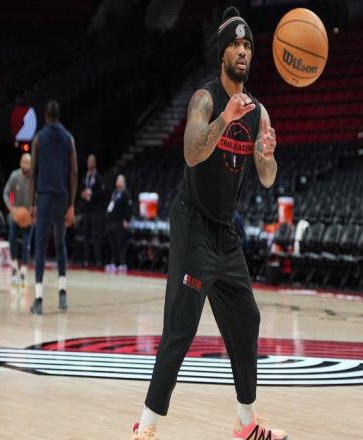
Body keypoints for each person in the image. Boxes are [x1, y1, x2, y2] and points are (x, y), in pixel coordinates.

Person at [132, 7, 287, 440]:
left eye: (247, 45)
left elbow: (267, 176)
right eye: (235, 45)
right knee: (181, 326)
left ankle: (246, 423)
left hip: (224, 231)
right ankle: (146, 427)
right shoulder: (205, 98)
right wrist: (225, 118)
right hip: (193, 222)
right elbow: (191, 152)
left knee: (247, 318)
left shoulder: (259, 111)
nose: (243, 51)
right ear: (222, 54)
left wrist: (268, 154)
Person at [29, 100, 78, 315]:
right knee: (60, 244)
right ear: (58, 115)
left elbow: (33, 173)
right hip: (61, 197)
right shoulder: (69, 138)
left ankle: (39, 298)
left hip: (44, 197)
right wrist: (72, 204)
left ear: (45, 115)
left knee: (40, 246)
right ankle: (62, 293)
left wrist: (32, 204)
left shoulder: (38, 138)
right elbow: (74, 172)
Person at [3, 153, 32, 287]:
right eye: (24, 162)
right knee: (12, 239)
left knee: (26, 243)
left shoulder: (34, 178)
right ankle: (14, 266)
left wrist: (34, 209)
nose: (26, 164)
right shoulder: (14, 176)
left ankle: (24, 270)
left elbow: (38, 195)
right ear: (20, 163)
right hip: (16, 214)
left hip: (28, 216)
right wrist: (11, 208)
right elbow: (6, 193)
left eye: (28, 162)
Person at [81, 154, 105, 267]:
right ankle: (86, 259)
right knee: (86, 235)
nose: (90, 163)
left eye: (92, 161)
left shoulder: (98, 177)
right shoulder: (85, 176)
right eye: (88, 161)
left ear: (95, 163)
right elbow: (81, 190)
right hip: (86, 210)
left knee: (96, 236)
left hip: (95, 211)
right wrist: (83, 194)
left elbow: (102, 193)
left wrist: (92, 195)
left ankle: (98, 260)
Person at [105, 174, 132, 273]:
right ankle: (114, 262)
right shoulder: (115, 193)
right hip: (111, 222)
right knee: (113, 244)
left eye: (120, 180)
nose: (118, 182)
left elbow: (128, 208)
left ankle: (122, 263)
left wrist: (126, 220)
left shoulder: (126, 194)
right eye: (117, 180)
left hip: (120, 222)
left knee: (121, 244)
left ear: (124, 182)